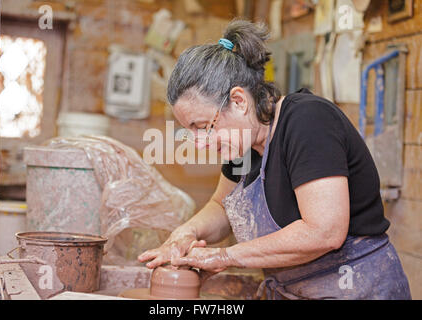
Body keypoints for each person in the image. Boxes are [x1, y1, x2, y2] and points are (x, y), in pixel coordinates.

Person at [138, 20, 411, 300]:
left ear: (239, 101)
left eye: (202, 126)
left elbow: (324, 231)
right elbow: (222, 206)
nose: (199, 141)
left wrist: (225, 256)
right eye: (189, 130)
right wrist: (186, 232)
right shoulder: (241, 145)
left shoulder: (308, 122)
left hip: (356, 288)